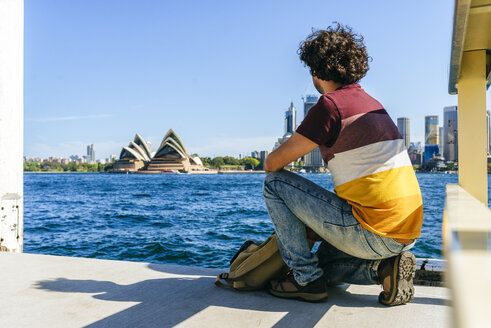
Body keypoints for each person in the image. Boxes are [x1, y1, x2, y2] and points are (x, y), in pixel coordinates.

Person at [262, 23, 423, 305]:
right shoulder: (373, 104)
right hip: (405, 234)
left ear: (315, 70)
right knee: (325, 261)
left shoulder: (330, 106)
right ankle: (383, 269)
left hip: (372, 232)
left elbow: (273, 164)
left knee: (274, 184)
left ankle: (304, 280)